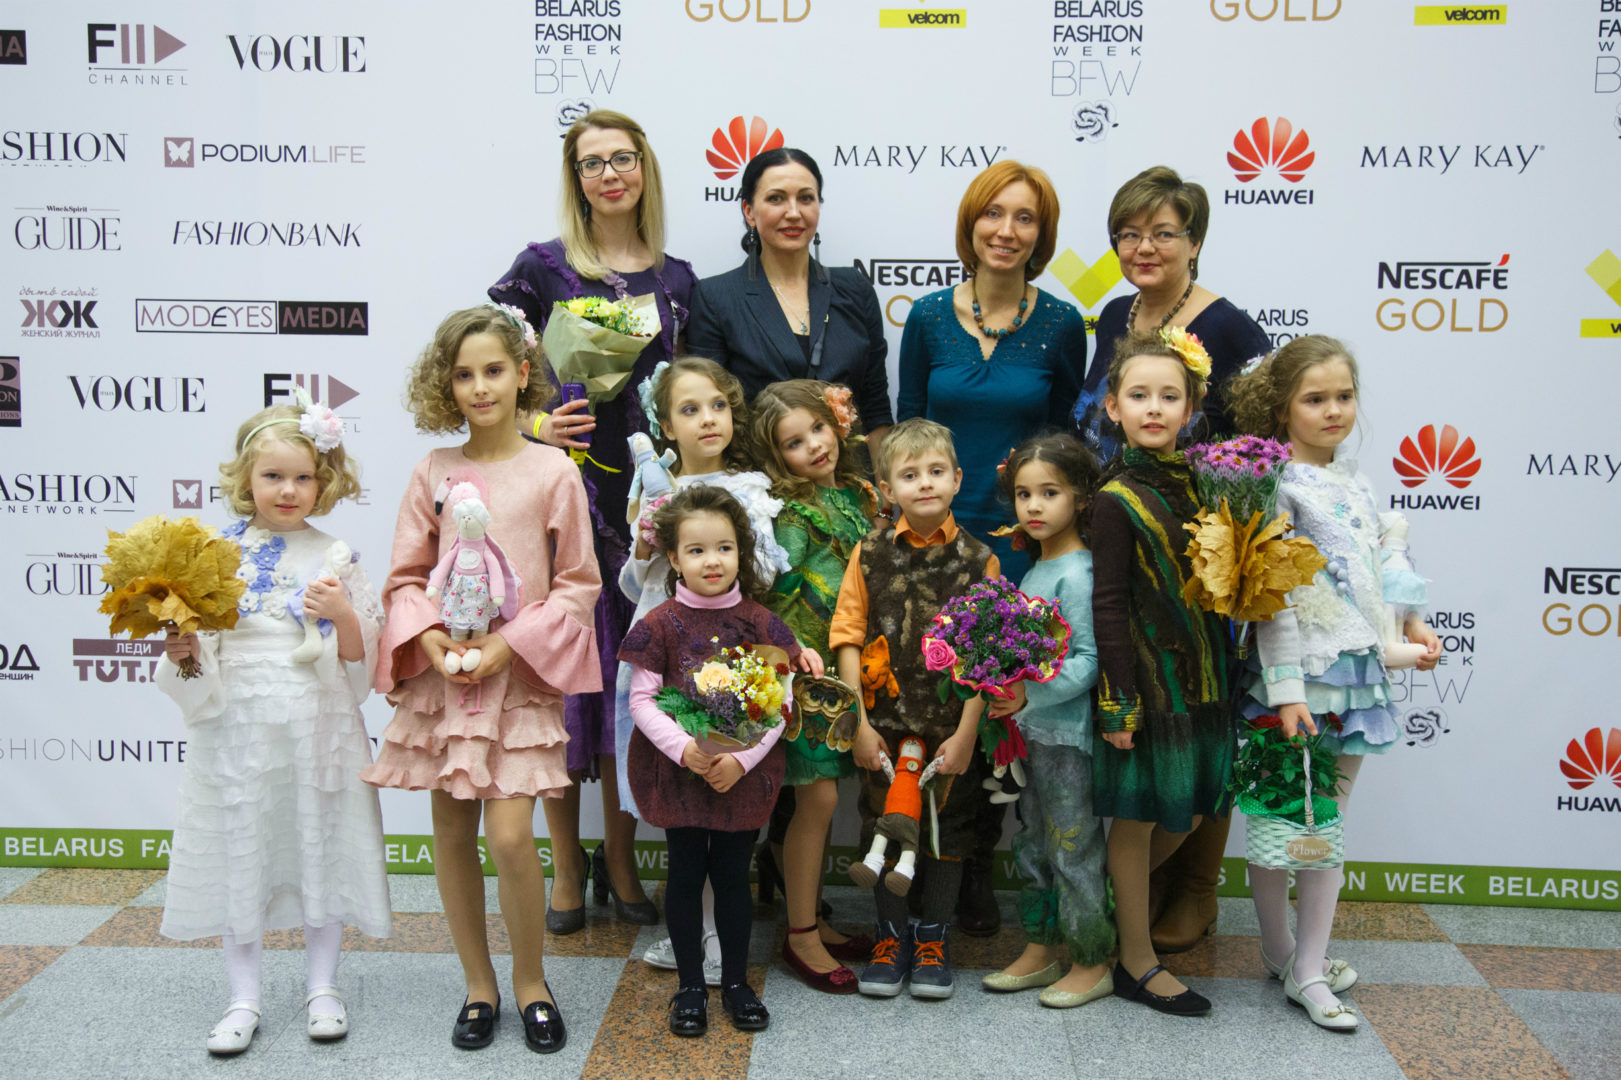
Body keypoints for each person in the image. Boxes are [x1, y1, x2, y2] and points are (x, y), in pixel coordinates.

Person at [361, 305, 602, 1054]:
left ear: (523, 373)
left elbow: (578, 583)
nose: (479, 387)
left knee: (509, 835)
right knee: (452, 832)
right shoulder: (432, 470)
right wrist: (429, 638)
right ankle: (478, 986)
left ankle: (530, 981)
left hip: (517, 678)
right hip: (446, 681)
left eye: (493, 370)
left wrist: (511, 644)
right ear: (447, 384)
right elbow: (405, 577)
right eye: (463, 375)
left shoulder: (554, 470)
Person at [488, 109, 694, 930]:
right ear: (575, 179)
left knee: (627, 680)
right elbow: (482, 372)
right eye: (592, 162)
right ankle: (567, 868)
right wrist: (536, 424)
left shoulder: (678, 280)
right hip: (562, 497)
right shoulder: (539, 270)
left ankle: (620, 859)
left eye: (623, 158)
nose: (610, 174)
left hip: (644, 506)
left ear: (645, 168)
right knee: (561, 681)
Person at [1074, 164, 1269, 953]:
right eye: (1128, 233)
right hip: (1116, 521)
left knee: (1202, 717)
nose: (1143, 247)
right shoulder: (1114, 313)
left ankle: (1195, 891)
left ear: (1194, 241)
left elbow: (1260, 446)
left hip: (1197, 550)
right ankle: (1132, 901)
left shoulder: (1230, 329)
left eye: (1162, 233)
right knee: (1150, 728)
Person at [158, 398, 390, 1055]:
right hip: (237, 730)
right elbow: (196, 663)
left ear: (324, 481)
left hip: (318, 727)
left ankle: (324, 988)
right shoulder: (212, 556)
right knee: (242, 849)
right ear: (246, 479)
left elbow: (362, 663)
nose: (288, 490)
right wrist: (183, 651)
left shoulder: (335, 555)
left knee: (321, 845)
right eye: (272, 476)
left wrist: (343, 614)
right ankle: (243, 997)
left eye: (303, 477)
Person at [1226, 334, 1441, 1030]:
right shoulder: (1277, 486)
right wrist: (1287, 690)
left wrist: (1411, 625)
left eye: (1343, 397)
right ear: (1282, 408)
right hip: (1293, 683)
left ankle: (1309, 966)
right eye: (1314, 399)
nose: (1333, 411)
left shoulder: (1358, 483)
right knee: (1278, 818)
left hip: (1356, 677)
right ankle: (1281, 950)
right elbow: (1271, 598)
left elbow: (1377, 574)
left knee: (1327, 826)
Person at [896, 159, 1087, 935]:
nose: (1006, 231)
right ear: (969, 223)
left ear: (1042, 235)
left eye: (1024, 218)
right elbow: (908, 425)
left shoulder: (1061, 323)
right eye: (993, 213)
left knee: (1000, 701)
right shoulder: (927, 318)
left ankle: (975, 862)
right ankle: (931, 861)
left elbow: (1066, 444)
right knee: (932, 696)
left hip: (1019, 549)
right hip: (933, 539)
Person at [621, 486, 824, 1036]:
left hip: (743, 778)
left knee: (733, 876)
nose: (712, 561)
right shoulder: (659, 623)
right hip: (680, 775)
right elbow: (641, 700)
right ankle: (690, 985)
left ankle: (736, 983)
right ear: (674, 558)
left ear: (741, 552)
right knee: (685, 874)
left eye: (724, 548)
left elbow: (780, 704)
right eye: (697, 550)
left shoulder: (762, 624)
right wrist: (686, 750)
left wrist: (741, 761)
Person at [617, 356, 793, 981]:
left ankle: (721, 938)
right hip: (666, 647)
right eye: (689, 410)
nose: (707, 419)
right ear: (665, 425)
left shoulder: (749, 487)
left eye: (718, 405)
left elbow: (763, 573)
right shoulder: (652, 484)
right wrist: (645, 544)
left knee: (726, 784)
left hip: (729, 653)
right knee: (682, 788)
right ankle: (693, 933)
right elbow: (632, 579)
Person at [829, 418, 1001, 1000]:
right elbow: (847, 636)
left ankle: (933, 939)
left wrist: (969, 733)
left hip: (951, 728)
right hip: (884, 726)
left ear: (957, 479)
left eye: (935, 471)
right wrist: (858, 724)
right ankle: (890, 937)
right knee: (881, 825)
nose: (924, 483)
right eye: (909, 475)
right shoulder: (869, 552)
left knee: (949, 831)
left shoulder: (981, 560)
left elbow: (986, 654)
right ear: (887, 488)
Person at [1090, 330, 1233, 1017]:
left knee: (1193, 807)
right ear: (1112, 406)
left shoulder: (1210, 484)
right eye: (1139, 395)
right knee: (1141, 816)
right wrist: (1119, 700)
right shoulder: (1114, 497)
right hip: (1148, 684)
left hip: (1207, 674)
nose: (1154, 408)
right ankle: (1135, 961)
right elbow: (1108, 604)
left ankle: (1091, 907)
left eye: (1169, 396)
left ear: (1191, 408)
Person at [749, 380, 881, 993]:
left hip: (849, 664)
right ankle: (800, 933)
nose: (815, 446)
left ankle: (811, 916)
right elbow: (773, 594)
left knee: (818, 801)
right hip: (806, 674)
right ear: (777, 457)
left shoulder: (857, 493)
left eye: (818, 429)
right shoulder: (793, 512)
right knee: (819, 798)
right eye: (794, 443)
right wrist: (789, 664)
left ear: (837, 422)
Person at [980, 434, 1115, 1009]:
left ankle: (1092, 959)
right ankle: (1041, 947)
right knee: (1034, 843)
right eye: (1023, 494)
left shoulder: (1078, 573)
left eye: (1050, 493)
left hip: (1065, 737)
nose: (1033, 506)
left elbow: (1088, 660)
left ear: (1081, 497)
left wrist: (1026, 696)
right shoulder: (1038, 569)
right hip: (1031, 735)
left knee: (1073, 847)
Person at [687, 147, 892, 460]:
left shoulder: (855, 288)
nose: (794, 212)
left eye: (806, 198)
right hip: (760, 480)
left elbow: (875, 406)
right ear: (749, 211)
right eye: (776, 198)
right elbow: (711, 411)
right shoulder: (716, 297)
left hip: (850, 478)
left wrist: (880, 484)